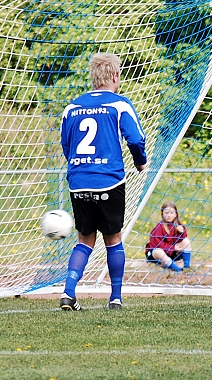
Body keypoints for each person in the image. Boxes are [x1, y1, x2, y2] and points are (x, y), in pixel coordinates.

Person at [59, 52, 147, 311]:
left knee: (84, 239)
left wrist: (79, 166)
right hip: (108, 181)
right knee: (113, 239)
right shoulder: (119, 104)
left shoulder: (72, 107)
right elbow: (135, 139)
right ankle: (116, 298)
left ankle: (68, 292)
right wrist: (140, 162)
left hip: (79, 181)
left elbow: (67, 144)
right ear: (115, 76)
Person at [145, 201, 192, 272]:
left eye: (171, 213)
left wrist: (182, 232)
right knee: (158, 251)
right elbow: (156, 245)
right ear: (162, 214)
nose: (169, 215)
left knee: (186, 241)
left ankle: (186, 267)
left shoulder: (177, 224)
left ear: (175, 214)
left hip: (171, 253)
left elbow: (182, 238)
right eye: (166, 213)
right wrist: (173, 248)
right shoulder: (159, 227)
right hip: (156, 255)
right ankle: (177, 270)